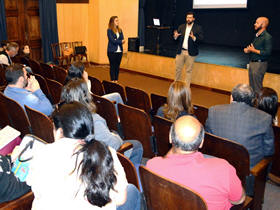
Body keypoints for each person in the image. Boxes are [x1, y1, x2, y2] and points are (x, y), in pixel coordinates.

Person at [26, 102, 141, 210]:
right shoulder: (106, 152)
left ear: (59, 131)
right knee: (132, 191)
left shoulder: (40, 152)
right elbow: (120, 199)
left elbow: (32, 185)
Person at [146, 116, 245, 210]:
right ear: (201, 142)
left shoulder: (151, 166)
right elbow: (239, 200)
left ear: (170, 137)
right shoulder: (223, 169)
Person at [60, 78, 143, 166]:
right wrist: (117, 137)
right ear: (86, 97)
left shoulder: (63, 115)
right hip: (99, 161)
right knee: (137, 145)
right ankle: (130, 176)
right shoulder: (94, 120)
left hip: (81, 156)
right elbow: (115, 145)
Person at [205, 84, 274, 168]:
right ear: (252, 100)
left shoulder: (213, 111)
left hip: (217, 164)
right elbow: (269, 151)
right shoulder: (265, 118)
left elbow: (208, 141)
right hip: (247, 171)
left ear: (231, 98)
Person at [174, 11, 203, 87]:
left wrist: (194, 37)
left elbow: (201, 39)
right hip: (181, 52)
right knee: (178, 70)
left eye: (190, 17)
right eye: (187, 17)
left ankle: (186, 88)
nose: (188, 19)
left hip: (191, 53)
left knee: (188, 71)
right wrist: (176, 36)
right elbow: (176, 39)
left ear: (193, 19)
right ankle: (176, 86)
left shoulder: (198, 28)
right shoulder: (181, 26)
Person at [244, 17, 272, 93]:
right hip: (252, 63)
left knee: (257, 88)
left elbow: (267, 52)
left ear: (263, 25)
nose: (255, 24)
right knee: (251, 87)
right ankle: (253, 104)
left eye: (257, 23)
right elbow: (254, 48)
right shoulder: (257, 35)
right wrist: (248, 50)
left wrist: (253, 50)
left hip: (259, 64)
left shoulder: (267, 37)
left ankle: (259, 104)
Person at [107, 16, 125, 82]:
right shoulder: (109, 30)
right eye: (116, 20)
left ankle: (116, 80)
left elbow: (123, 39)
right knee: (112, 66)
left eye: (118, 20)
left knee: (117, 67)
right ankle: (112, 80)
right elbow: (112, 40)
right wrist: (119, 41)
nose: (118, 22)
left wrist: (117, 40)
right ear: (112, 22)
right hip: (112, 51)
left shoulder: (120, 30)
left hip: (119, 51)